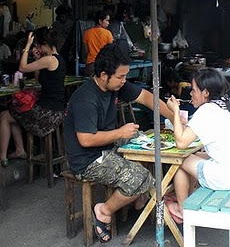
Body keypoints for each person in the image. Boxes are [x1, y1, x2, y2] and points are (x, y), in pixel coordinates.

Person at [63, 43, 174, 243]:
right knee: (140, 178)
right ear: (104, 75)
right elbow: (86, 140)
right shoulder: (86, 98)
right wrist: (120, 132)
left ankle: (138, 199)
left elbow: (147, 98)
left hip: (105, 146)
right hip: (87, 160)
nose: (124, 81)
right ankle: (103, 210)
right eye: (121, 77)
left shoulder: (115, 85)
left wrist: (174, 117)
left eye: (125, 76)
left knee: (141, 140)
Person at [164, 68, 230, 222]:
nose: (190, 93)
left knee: (178, 160)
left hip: (228, 178)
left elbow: (181, 143)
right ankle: (187, 196)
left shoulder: (206, 110)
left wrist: (176, 111)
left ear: (205, 93)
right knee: (195, 156)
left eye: (194, 90)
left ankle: (182, 209)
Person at [0, 27, 66, 167]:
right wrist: (37, 59)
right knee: (14, 113)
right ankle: (19, 150)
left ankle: (3, 156)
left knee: (5, 116)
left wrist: (27, 47)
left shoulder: (49, 59)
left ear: (43, 44)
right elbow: (38, 79)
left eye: (37, 45)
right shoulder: (59, 59)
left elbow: (22, 68)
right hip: (56, 111)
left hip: (46, 113)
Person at [83, 10, 113, 76]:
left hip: (90, 65)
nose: (108, 23)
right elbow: (110, 51)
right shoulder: (108, 33)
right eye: (107, 20)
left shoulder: (87, 33)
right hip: (104, 65)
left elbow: (86, 51)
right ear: (100, 21)